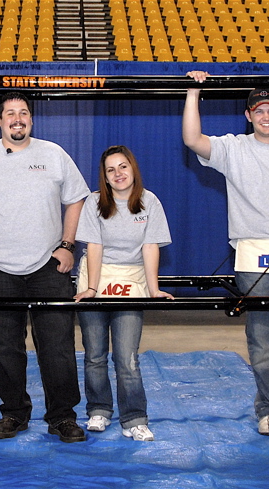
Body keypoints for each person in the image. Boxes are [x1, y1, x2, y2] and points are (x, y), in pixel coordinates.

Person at [183, 71, 269, 436]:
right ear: (248, 116)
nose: (265, 116)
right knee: (261, 338)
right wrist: (194, 91)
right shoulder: (234, 148)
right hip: (250, 253)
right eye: (258, 110)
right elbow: (192, 138)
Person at [0, 91, 91, 443]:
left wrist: (66, 245)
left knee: (58, 347)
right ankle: (14, 413)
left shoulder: (54, 154)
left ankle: (62, 417)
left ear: (31, 119)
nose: (17, 118)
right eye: (10, 113)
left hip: (48, 268)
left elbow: (76, 198)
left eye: (24, 112)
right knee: (6, 347)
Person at [72, 145, 172, 442]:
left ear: (133, 169)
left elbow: (150, 246)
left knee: (127, 357)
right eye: (110, 169)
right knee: (94, 355)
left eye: (123, 167)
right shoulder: (93, 203)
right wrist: (91, 287)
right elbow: (95, 246)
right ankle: (99, 410)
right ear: (104, 176)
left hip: (132, 279)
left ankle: (134, 418)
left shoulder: (150, 202)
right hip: (97, 275)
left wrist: (153, 290)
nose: (118, 174)